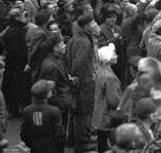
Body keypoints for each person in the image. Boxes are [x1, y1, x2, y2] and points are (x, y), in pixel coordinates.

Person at [67, 13, 100, 153]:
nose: (95, 26)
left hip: (79, 82)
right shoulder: (85, 42)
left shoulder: (76, 38)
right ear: (86, 26)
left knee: (76, 112)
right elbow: (78, 64)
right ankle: (83, 143)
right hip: (84, 83)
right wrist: (77, 79)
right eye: (93, 24)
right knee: (83, 112)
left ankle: (73, 139)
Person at [20, 80, 65, 153]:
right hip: (52, 148)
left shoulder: (27, 110)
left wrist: (31, 144)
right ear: (47, 94)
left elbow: (24, 133)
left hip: (35, 147)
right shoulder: (54, 111)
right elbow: (60, 134)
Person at [93, 43, 122, 152]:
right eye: (114, 54)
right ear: (108, 58)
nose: (116, 56)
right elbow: (113, 100)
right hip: (108, 118)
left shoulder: (100, 71)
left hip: (99, 115)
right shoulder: (110, 77)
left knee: (101, 143)